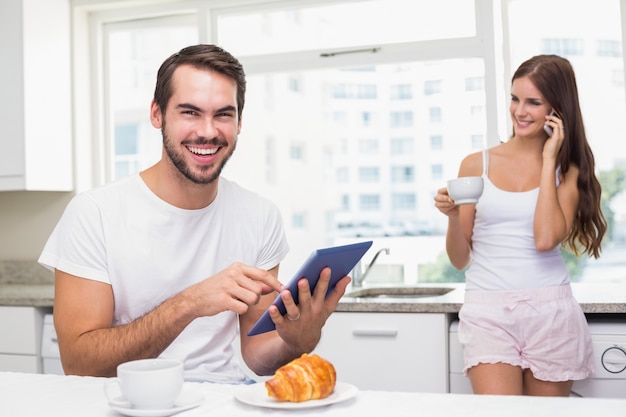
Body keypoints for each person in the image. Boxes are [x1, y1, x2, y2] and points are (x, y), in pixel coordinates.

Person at [38, 44, 351, 383]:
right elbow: (80, 364)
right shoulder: (93, 214)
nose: (207, 131)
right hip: (132, 401)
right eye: (190, 112)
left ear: (239, 122)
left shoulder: (260, 216)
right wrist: (189, 303)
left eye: (223, 114)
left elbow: (259, 356)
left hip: (223, 397)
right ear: (157, 114)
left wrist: (296, 340)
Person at [434, 54, 606, 396]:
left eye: (534, 102)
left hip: (551, 311)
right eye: (515, 99)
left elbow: (545, 239)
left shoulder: (569, 172)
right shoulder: (475, 164)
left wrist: (548, 160)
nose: (519, 111)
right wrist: (454, 218)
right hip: (487, 310)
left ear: (557, 109)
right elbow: (459, 259)